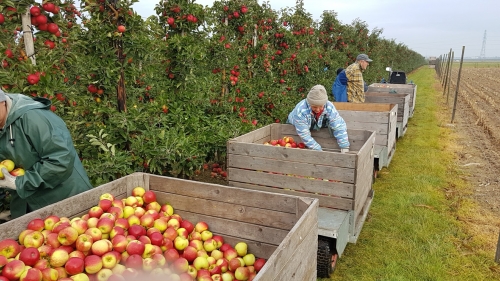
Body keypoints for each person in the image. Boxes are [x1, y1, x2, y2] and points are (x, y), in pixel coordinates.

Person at [0, 90, 92, 219]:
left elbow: (60, 161)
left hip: (66, 201)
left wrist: (20, 183)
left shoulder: (33, 118)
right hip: (29, 209)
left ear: (2, 101)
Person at [287, 85, 350, 152]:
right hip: (297, 125)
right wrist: (318, 150)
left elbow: (338, 125)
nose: (318, 110)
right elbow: (304, 135)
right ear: (309, 103)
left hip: (317, 122)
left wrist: (344, 146)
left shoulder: (329, 107)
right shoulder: (301, 111)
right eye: (314, 107)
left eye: (320, 107)